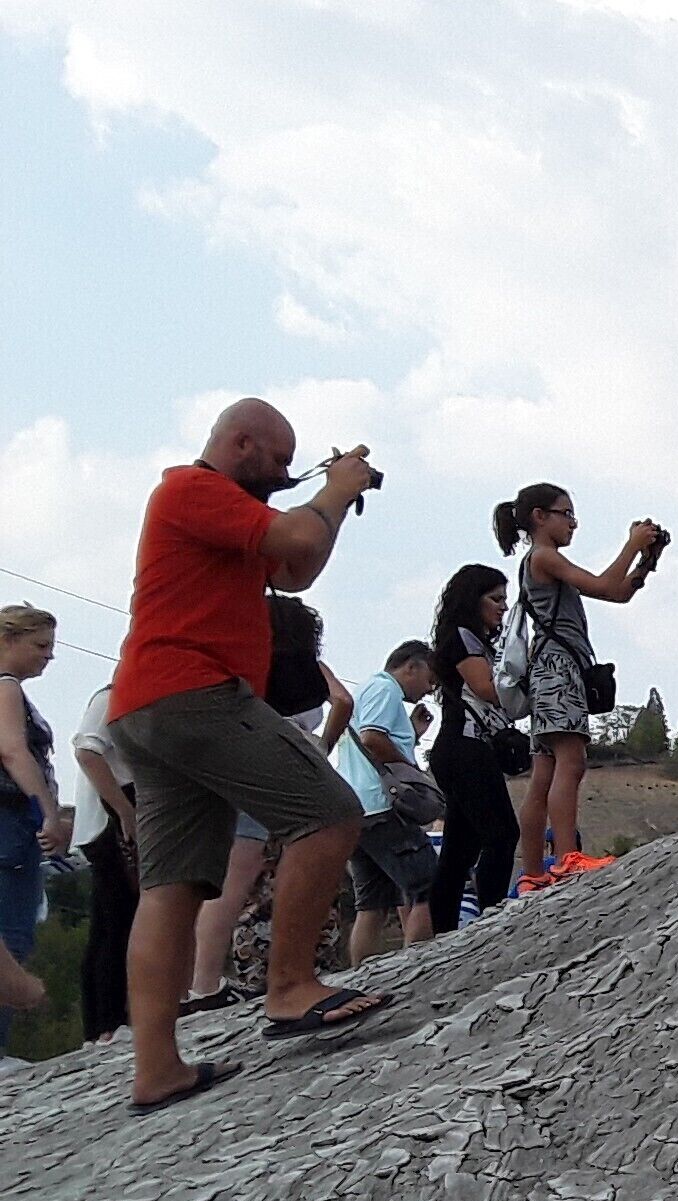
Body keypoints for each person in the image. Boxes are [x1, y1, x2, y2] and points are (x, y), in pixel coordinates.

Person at [106, 397, 386, 1113]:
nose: (285, 476)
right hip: (194, 692)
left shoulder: (216, 512)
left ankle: (155, 1070)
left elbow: (297, 571)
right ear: (241, 444)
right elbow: (295, 535)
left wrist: (334, 504)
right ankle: (290, 989)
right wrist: (337, 485)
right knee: (328, 815)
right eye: (279, 462)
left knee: (172, 888)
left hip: (145, 707)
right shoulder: (190, 488)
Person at [495, 481, 663, 894]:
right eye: (566, 514)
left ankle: (534, 872)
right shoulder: (545, 558)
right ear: (540, 517)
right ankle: (568, 857)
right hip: (558, 667)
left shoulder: (541, 562)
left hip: (546, 668)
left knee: (545, 770)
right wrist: (631, 544)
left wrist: (645, 562)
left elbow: (619, 593)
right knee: (570, 761)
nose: (572, 523)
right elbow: (605, 585)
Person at [193, 598, 351, 1007]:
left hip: (238, 758)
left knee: (234, 878)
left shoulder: (242, 658)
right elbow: (342, 701)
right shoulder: (302, 665)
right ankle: (215, 982)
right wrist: (320, 748)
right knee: (248, 874)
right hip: (278, 765)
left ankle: (203, 980)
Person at [426, 565, 522, 928]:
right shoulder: (465, 639)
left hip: (457, 748)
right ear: (473, 600)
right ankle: (490, 918)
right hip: (466, 746)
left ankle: (447, 930)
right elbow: (486, 689)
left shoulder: (467, 640)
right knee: (500, 834)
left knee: (459, 849)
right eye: (495, 599)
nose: (502, 607)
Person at [0, 605, 76, 1057]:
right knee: (12, 932)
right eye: (40, 646)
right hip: (10, 821)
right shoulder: (7, 688)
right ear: (9, 641)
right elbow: (12, 750)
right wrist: (48, 811)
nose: (48, 657)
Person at [337, 639, 441, 962]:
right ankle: (417, 965)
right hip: (383, 807)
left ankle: (361, 973)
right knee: (430, 885)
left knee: (372, 905)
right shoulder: (386, 690)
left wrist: (411, 733)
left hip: (356, 810)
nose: (429, 688)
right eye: (430, 678)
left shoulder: (366, 690)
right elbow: (372, 738)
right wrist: (411, 771)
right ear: (411, 666)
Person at [71, 672, 142, 1044]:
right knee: (114, 923)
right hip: (108, 822)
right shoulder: (110, 697)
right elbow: (86, 750)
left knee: (119, 922)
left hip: (115, 815)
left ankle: (110, 1019)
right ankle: (105, 1023)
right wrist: (124, 811)